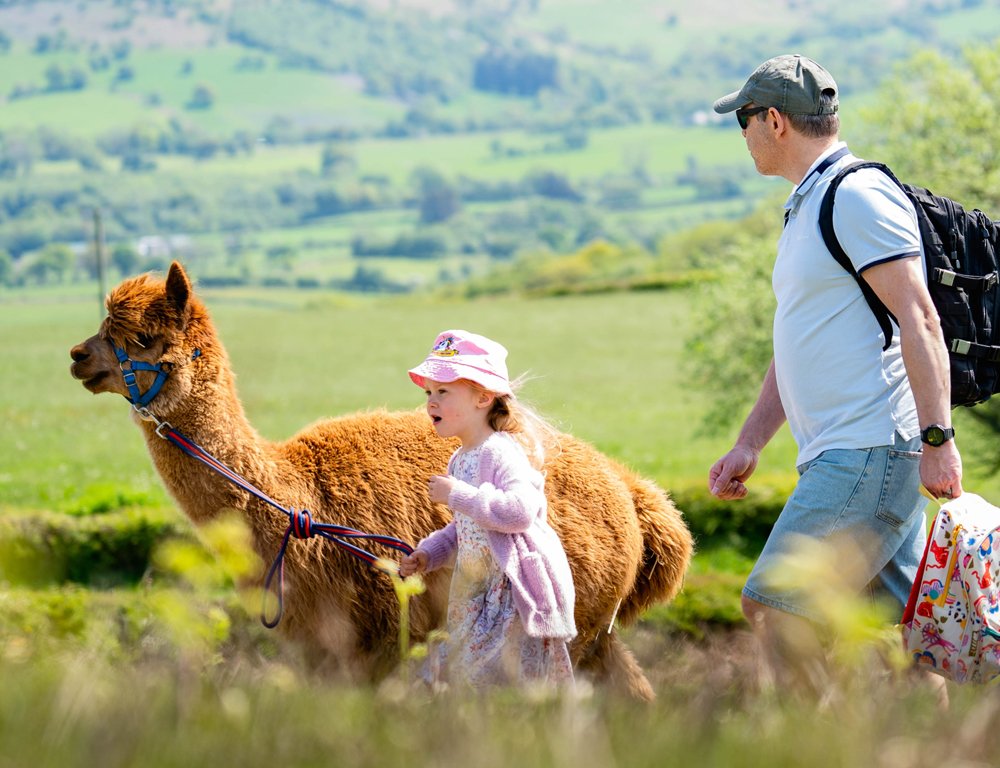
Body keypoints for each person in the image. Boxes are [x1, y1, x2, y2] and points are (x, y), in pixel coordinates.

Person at [706, 55, 963, 687]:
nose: (741, 135)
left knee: (771, 604)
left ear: (774, 121)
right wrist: (749, 441)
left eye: (743, 119)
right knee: (903, 642)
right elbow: (796, 341)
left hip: (868, 449)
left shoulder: (856, 196)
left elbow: (919, 318)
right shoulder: (810, 203)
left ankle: (812, 747)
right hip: (849, 452)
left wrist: (938, 440)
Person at [399, 329, 576, 689]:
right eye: (428, 392)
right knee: (461, 679)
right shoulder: (459, 459)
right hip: (477, 596)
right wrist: (429, 554)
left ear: (482, 398)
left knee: (492, 684)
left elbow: (521, 511)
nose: (431, 402)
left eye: (443, 391)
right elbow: (467, 528)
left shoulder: (500, 451)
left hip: (510, 595)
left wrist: (459, 495)